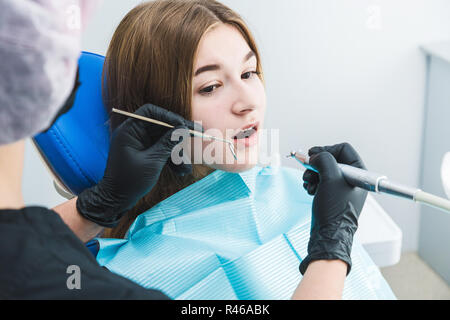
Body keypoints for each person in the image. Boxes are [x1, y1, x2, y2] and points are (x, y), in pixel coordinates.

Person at [0, 0, 368, 300]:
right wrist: (333, 247)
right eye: (209, 87)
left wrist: (99, 204)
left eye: (248, 73)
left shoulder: (291, 190)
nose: (247, 103)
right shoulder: (124, 277)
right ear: (155, 110)